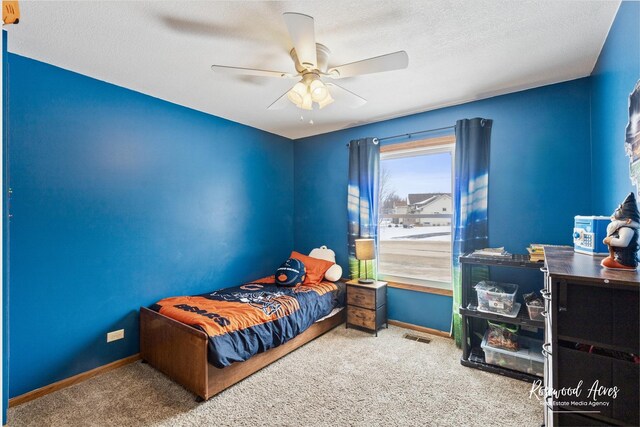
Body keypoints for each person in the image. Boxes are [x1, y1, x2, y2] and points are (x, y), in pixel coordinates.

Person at [601, 192, 640, 270]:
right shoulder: (622, 228)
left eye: (617, 218)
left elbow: (623, 243)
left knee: (607, 262)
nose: (613, 218)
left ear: (628, 221)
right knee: (608, 261)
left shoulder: (627, 229)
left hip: (625, 260)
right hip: (621, 257)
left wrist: (610, 240)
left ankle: (624, 265)